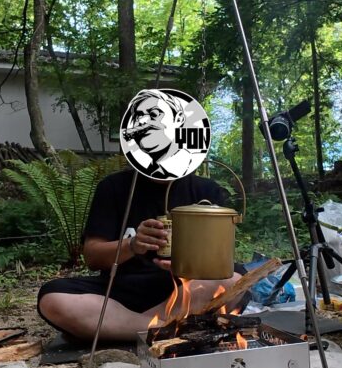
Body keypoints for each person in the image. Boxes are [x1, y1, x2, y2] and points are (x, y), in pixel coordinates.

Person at [37, 169, 241, 341]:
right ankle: (169, 329)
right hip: (121, 291)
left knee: (235, 280)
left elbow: (219, 259)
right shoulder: (113, 187)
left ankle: (123, 327)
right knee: (52, 299)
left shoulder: (205, 190)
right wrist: (132, 245)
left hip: (182, 290)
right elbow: (93, 257)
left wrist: (188, 266)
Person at [123, 89, 202, 179]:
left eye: (154, 114)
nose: (142, 121)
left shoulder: (204, 187)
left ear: (179, 119)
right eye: (138, 116)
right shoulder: (117, 184)